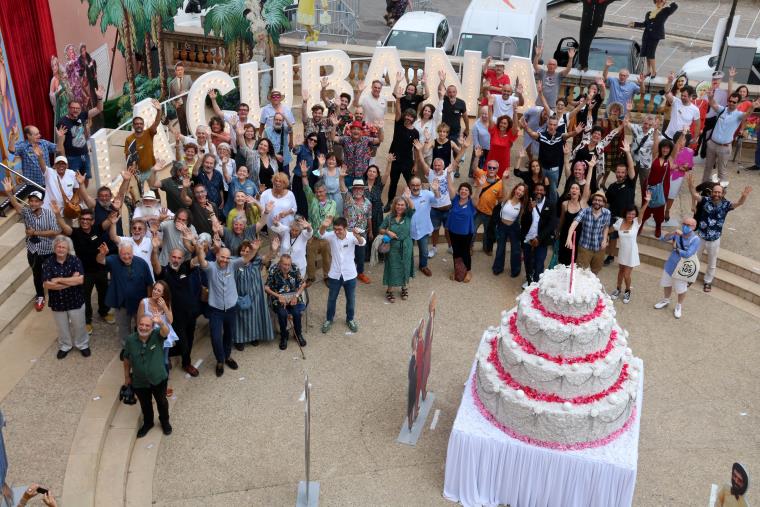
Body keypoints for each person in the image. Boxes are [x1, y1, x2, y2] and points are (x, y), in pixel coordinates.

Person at [51, 204, 113, 336]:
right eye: (82, 219)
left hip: (101, 268)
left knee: (104, 292)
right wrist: (57, 214)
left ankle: (104, 312)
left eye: (88, 219)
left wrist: (116, 209)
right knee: (85, 297)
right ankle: (87, 321)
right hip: (85, 272)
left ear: (93, 221)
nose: (85, 221)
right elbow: (65, 227)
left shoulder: (98, 229)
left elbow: (109, 221)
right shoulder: (75, 233)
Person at [687, 174, 751, 293]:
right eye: (715, 192)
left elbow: (738, 204)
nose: (716, 194)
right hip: (700, 236)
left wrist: (744, 197)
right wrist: (690, 185)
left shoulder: (726, 205)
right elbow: (695, 195)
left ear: (723, 194)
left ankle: (708, 281)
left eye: (719, 193)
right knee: (694, 258)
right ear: (712, 192)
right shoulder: (705, 200)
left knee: (712, 262)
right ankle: (690, 277)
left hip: (714, 239)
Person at [4, 180, 60, 312]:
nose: (33, 203)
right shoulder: (27, 211)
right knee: (36, 274)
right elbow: (17, 206)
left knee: (51, 273)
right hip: (33, 250)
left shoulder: (48, 214)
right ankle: (40, 296)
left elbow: (55, 231)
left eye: (36, 201)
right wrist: (9, 193)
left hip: (47, 250)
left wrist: (35, 232)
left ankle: (55, 296)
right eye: (31, 200)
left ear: (41, 202)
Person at [150, 242, 201, 377]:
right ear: (168, 257)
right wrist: (154, 250)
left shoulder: (186, 267)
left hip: (190, 313)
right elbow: (155, 265)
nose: (176, 260)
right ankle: (165, 355)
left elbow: (201, 257)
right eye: (174, 257)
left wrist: (195, 244)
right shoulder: (164, 272)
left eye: (179, 258)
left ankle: (186, 363)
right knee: (182, 343)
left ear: (182, 259)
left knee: (190, 339)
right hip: (174, 316)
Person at [197, 239, 247, 377]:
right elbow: (202, 262)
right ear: (217, 256)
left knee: (229, 335)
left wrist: (254, 249)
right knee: (216, 337)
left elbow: (247, 257)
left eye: (227, 257)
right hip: (216, 310)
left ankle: (227, 357)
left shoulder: (232, 264)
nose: (224, 260)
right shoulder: (211, 267)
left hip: (231, 308)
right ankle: (220, 360)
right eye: (222, 257)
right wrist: (200, 249)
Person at [97, 242, 154, 351]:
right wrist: (102, 254)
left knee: (142, 326)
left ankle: (142, 346)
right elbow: (100, 260)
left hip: (139, 304)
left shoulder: (142, 263)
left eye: (129, 254)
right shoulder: (114, 260)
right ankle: (127, 348)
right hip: (121, 303)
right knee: (123, 327)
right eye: (123, 254)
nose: (126, 256)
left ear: (133, 252)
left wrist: (148, 302)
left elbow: (149, 284)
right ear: (119, 253)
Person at [123, 314, 172, 438]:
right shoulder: (130, 340)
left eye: (147, 325)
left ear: (152, 327)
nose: (143, 327)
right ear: (137, 325)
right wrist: (127, 377)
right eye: (141, 324)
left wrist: (161, 323)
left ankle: (165, 422)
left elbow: (166, 332)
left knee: (161, 402)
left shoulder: (157, 335)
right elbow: (126, 359)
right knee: (145, 404)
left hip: (158, 378)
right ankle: (148, 423)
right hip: (139, 381)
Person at [42, 235, 88, 359]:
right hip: (58, 302)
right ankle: (65, 346)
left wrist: (59, 280)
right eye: (58, 246)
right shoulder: (48, 262)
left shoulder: (75, 260)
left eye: (63, 247)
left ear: (68, 249)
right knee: (62, 327)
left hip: (75, 300)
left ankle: (82, 344)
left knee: (79, 325)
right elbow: (47, 284)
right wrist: (70, 280)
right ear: (54, 248)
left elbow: (80, 280)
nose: (61, 249)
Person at [319, 216, 366, 333]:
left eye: (339, 229)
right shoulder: (331, 235)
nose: (337, 231)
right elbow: (321, 234)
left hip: (350, 275)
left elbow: (362, 242)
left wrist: (358, 236)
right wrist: (324, 226)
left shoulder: (351, 236)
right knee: (331, 299)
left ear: (345, 228)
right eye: (335, 229)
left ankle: (350, 319)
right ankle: (329, 319)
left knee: (351, 299)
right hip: (334, 275)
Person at [703, 92, 760, 183]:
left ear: (738, 103)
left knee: (721, 171)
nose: (731, 103)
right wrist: (710, 97)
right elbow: (713, 104)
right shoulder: (722, 110)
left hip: (724, 148)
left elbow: (747, 115)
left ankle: (721, 192)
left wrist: (753, 107)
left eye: (734, 102)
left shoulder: (738, 114)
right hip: (712, 144)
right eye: (730, 101)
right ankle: (704, 188)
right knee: (707, 168)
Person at [233, 238, 276, 350]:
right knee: (240, 318)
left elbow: (266, 259)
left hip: (255, 296)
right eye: (243, 250)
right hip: (239, 296)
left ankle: (254, 337)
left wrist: (273, 249)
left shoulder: (257, 261)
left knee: (254, 317)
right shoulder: (235, 262)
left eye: (248, 251)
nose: (245, 253)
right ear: (239, 251)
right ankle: (239, 340)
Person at [653, 217, 700, 319]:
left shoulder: (695, 239)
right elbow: (664, 238)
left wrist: (676, 248)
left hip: (682, 268)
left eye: (688, 225)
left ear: (694, 227)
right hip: (671, 264)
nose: (685, 227)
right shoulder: (677, 234)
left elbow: (688, 254)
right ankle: (666, 300)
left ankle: (679, 305)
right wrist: (673, 233)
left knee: (681, 288)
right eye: (684, 224)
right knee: (667, 283)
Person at [610, 192, 651, 303]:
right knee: (620, 272)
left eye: (633, 214)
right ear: (625, 213)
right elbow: (610, 230)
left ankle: (627, 291)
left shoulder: (637, 222)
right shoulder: (619, 222)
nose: (631, 216)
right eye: (629, 214)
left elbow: (642, 212)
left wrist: (647, 201)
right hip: (622, 251)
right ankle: (618, 289)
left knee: (627, 275)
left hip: (632, 252)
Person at [522, 115, 582, 191]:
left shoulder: (560, 136)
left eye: (554, 125)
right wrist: (526, 128)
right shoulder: (542, 135)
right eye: (550, 124)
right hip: (542, 169)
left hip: (554, 170)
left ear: (557, 126)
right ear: (547, 124)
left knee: (553, 190)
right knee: (539, 188)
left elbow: (568, 134)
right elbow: (533, 134)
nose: (552, 127)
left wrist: (575, 132)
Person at [57, 91, 104, 185]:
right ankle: (77, 199)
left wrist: (99, 98)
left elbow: (99, 109)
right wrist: (65, 160)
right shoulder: (62, 122)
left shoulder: (82, 116)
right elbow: (60, 144)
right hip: (72, 158)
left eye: (77, 108)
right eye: (73, 108)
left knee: (86, 178)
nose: (75, 110)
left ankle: (83, 198)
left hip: (85, 155)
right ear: (68, 108)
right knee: (74, 182)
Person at [603, 139, 636, 265]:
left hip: (627, 218)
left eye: (623, 172)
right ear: (615, 173)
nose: (620, 174)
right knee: (612, 238)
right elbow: (607, 203)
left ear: (626, 173)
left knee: (625, 239)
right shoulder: (611, 186)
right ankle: (610, 256)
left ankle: (626, 259)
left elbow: (632, 167)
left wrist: (627, 153)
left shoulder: (630, 183)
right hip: (613, 216)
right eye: (618, 172)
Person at [265, 254, 307, 350]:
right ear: (280, 263)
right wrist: (278, 296)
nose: (286, 267)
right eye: (284, 264)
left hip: (293, 296)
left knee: (296, 312)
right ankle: (284, 336)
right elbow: (266, 288)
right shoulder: (273, 270)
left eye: (288, 265)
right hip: (278, 297)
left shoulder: (295, 268)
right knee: (282, 314)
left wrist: (296, 296)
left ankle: (298, 334)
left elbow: (303, 284)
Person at [379, 190, 415, 302]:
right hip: (393, 246)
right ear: (394, 205)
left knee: (405, 265)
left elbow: (412, 207)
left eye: (402, 205)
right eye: (398, 204)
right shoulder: (389, 217)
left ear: (405, 206)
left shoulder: (408, 215)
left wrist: (408, 198)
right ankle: (389, 290)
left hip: (406, 245)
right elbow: (380, 229)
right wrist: (388, 232)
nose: (400, 207)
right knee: (392, 267)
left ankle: (404, 288)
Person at [470, 147, 507, 255]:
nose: (491, 169)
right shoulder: (482, 174)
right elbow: (474, 168)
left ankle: (486, 248)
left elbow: (501, 198)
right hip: (477, 211)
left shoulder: (500, 183)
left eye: (494, 168)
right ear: (487, 167)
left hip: (489, 213)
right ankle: (470, 247)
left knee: (487, 233)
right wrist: (477, 157)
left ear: (497, 169)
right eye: (489, 167)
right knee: (472, 231)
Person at [446, 166, 480, 283]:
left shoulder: (471, 203)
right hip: (453, 230)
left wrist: (480, 185)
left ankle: (468, 271)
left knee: (465, 251)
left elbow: (477, 197)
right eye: (462, 189)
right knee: (456, 251)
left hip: (466, 232)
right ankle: (457, 269)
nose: (463, 191)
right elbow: (450, 186)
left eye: (466, 190)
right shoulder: (454, 199)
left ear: (469, 193)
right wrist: (448, 174)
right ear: (459, 191)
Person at [302, 170, 336, 283]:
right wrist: (304, 174)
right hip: (313, 237)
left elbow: (329, 219)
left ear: (325, 191)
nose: (319, 194)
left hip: (326, 237)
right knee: (310, 259)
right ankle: (311, 277)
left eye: (321, 191)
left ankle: (327, 276)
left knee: (327, 259)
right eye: (317, 192)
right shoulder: (312, 200)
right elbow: (306, 186)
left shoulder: (332, 203)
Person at [629, 0, 679, 78]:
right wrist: (634, 24)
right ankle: (648, 71)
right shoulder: (649, 13)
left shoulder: (665, 11)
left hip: (655, 35)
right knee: (646, 53)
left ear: (663, 3)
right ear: (655, 3)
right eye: (657, 2)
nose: (658, 3)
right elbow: (645, 24)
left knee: (651, 53)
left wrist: (667, 1)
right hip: (646, 35)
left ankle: (654, 71)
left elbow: (675, 7)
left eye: (661, 2)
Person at [520, 183, 557, 286]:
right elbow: (523, 222)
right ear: (534, 191)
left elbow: (551, 224)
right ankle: (529, 280)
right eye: (537, 190)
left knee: (539, 261)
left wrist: (539, 238)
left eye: (541, 190)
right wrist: (529, 210)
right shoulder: (529, 203)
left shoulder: (550, 204)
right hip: (528, 237)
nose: (539, 192)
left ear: (545, 192)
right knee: (527, 260)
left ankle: (537, 282)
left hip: (542, 239)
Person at [566, 190, 611, 274]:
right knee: (581, 272)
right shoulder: (585, 211)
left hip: (599, 247)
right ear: (592, 201)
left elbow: (606, 227)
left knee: (595, 272)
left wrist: (605, 239)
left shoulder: (607, 213)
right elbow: (574, 223)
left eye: (600, 200)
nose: (597, 202)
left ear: (603, 203)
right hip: (585, 247)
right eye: (595, 200)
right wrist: (569, 237)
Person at [339, 177, 373, 283]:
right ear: (352, 190)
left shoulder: (368, 203)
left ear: (363, 190)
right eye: (356, 188)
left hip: (362, 233)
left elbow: (369, 217)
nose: (358, 191)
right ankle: (345, 273)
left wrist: (371, 231)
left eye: (360, 189)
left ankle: (360, 273)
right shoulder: (348, 198)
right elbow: (343, 188)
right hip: (348, 232)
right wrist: (341, 178)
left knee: (361, 254)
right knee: (347, 253)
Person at [388, 91, 419, 202]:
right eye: (407, 115)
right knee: (393, 183)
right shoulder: (398, 124)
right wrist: (398, 99)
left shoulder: (416, 133)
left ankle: (414, 202)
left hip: (407, 161)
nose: (408, 118)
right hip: (395, 159)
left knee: (411, 183)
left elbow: (416, 149)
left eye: (411, 117)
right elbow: (397, 111)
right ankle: (389, 202)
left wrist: (415, 164)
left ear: (414, 119)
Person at [493, 182, 529, 277]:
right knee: (500, 248)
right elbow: (504, 188)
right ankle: (498, 268)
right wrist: (504, 179)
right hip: (502, 226)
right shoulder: (506, 199)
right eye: (519, 189)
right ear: (515, 189)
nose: (520, 192)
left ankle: (515, 270)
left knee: (516, 250)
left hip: (514, 228)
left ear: (524, 194)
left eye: (523, 191)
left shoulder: (522, 205)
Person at [640, 138, 674, 238]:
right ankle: (640, 225)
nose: (665, 150)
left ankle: (658, 226)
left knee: (659, 211)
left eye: (667, 148)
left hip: (660, 190)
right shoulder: (655, 156)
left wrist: (665, 194)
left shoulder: (669, 161)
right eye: (664, 147)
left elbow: (667, 180)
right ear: (660, 148)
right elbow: (655, 143)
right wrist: (655, 130)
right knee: (645, 208)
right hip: (649, 188)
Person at [334, 121, 383, 187]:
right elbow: (333, 138)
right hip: (348, 173)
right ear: (350, 130)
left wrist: (380, 129)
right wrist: (334, 126)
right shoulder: (345, 139)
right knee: (347, 193)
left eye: (358, 129)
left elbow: (380, 139)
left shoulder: (366, 140)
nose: (356, 131)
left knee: (359, 194)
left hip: (361, 175)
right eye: (354, 129)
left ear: (361, 132)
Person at [124, 99, 162, 184]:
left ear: (143, 125)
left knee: (154, 190)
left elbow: (156, 122)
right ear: (133, 126)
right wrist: (131, 167)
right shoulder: (129, 139)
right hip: (138, 173)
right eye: (136, 124)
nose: (139, 125)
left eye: (141, 123)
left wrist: (159, 111)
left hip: (152, 169)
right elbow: (127, 155)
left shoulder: (149, 132)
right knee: (142, 193)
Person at [407, 175, 437, 277]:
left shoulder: (428, 194)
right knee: (408, 252)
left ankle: (423, 266)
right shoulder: (405, 196)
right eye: (413, 185)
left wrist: (436, 190)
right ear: (409, 186)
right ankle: (409, 268)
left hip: (424, 229)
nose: (415, 187)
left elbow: (437, 200)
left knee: (424, 251)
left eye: (418, 185)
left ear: (421, 185)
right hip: (409, 230)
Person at [628, 114, 659, 206]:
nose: (647, 126)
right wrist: (629, 111)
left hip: (646, 164)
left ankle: (644, 205)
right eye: (645, 123)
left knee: (645, 185)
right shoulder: (636, 128)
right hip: (633, 161)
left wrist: (656, 131)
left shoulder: (656, 133)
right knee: (631, 183)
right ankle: (630, 203)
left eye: (650, 125)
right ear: (642, 122)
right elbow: (626, 122)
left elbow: (657, 149)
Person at [696, 71, 729, 158]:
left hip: (712, 118)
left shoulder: (723, 93)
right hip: (702, 117)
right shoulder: (704, 90)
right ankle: (694, 152)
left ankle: (703, 153)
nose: (715, 81)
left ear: (720, 80)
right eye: (714, 79)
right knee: (698, 135)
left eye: (717, 79)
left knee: (707, 137)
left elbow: (722, 108)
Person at [441, 77, 469, 176]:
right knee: (444, 149)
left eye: (453, 92)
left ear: (456, 92)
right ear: (447, 93)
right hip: (444, 132)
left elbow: (465, 117)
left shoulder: (461, 103)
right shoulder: (443, 100)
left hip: (456, 132)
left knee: (456, 150)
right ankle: (445, 167)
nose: (451, 94)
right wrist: (442, 81)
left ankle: (456, 168)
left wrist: (467, 128)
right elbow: (440, 90)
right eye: (449, 92)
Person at [485, 98, 519, 179]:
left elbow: (515, 125)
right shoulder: (494, 130)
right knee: (488, 180)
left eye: (505, 123)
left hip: (504, 161)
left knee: (501, 182)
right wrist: (490, 106)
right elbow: (490, 120)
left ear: (508, 125)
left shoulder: (510, 133)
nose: (502, 125)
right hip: (492, 159)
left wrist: (515, 112)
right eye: (501, 123)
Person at [663, 74, 701, 141]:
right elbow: (666, 92)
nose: (682, 97)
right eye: (682, 95)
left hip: (682, 139)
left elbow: (698, 124)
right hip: (669, 136)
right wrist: (669, 81)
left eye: (685, 96)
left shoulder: (695, 110)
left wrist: (695, 138)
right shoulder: (675, 101)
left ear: (690, 96)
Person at [577, 0, 613, 71]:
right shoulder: (587, 1)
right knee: (582, 43)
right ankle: (582, 64)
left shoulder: (603, 2)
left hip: (594, 24)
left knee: (587, 43)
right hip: (585, 23)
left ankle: (584, 65)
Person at [169, 61, 193, 135]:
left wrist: (186, 91)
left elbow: (193, 90)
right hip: (179, 109)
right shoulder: (172, 83)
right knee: (182, 127)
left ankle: (192, 142)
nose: (180, 72)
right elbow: (170, 97)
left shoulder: (188, 78)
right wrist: (174, 104)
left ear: (183, 70)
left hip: (188, 107)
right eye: (178, 70)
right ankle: (185, 144)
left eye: (181, 69)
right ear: (175, 71)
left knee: (190, 126)